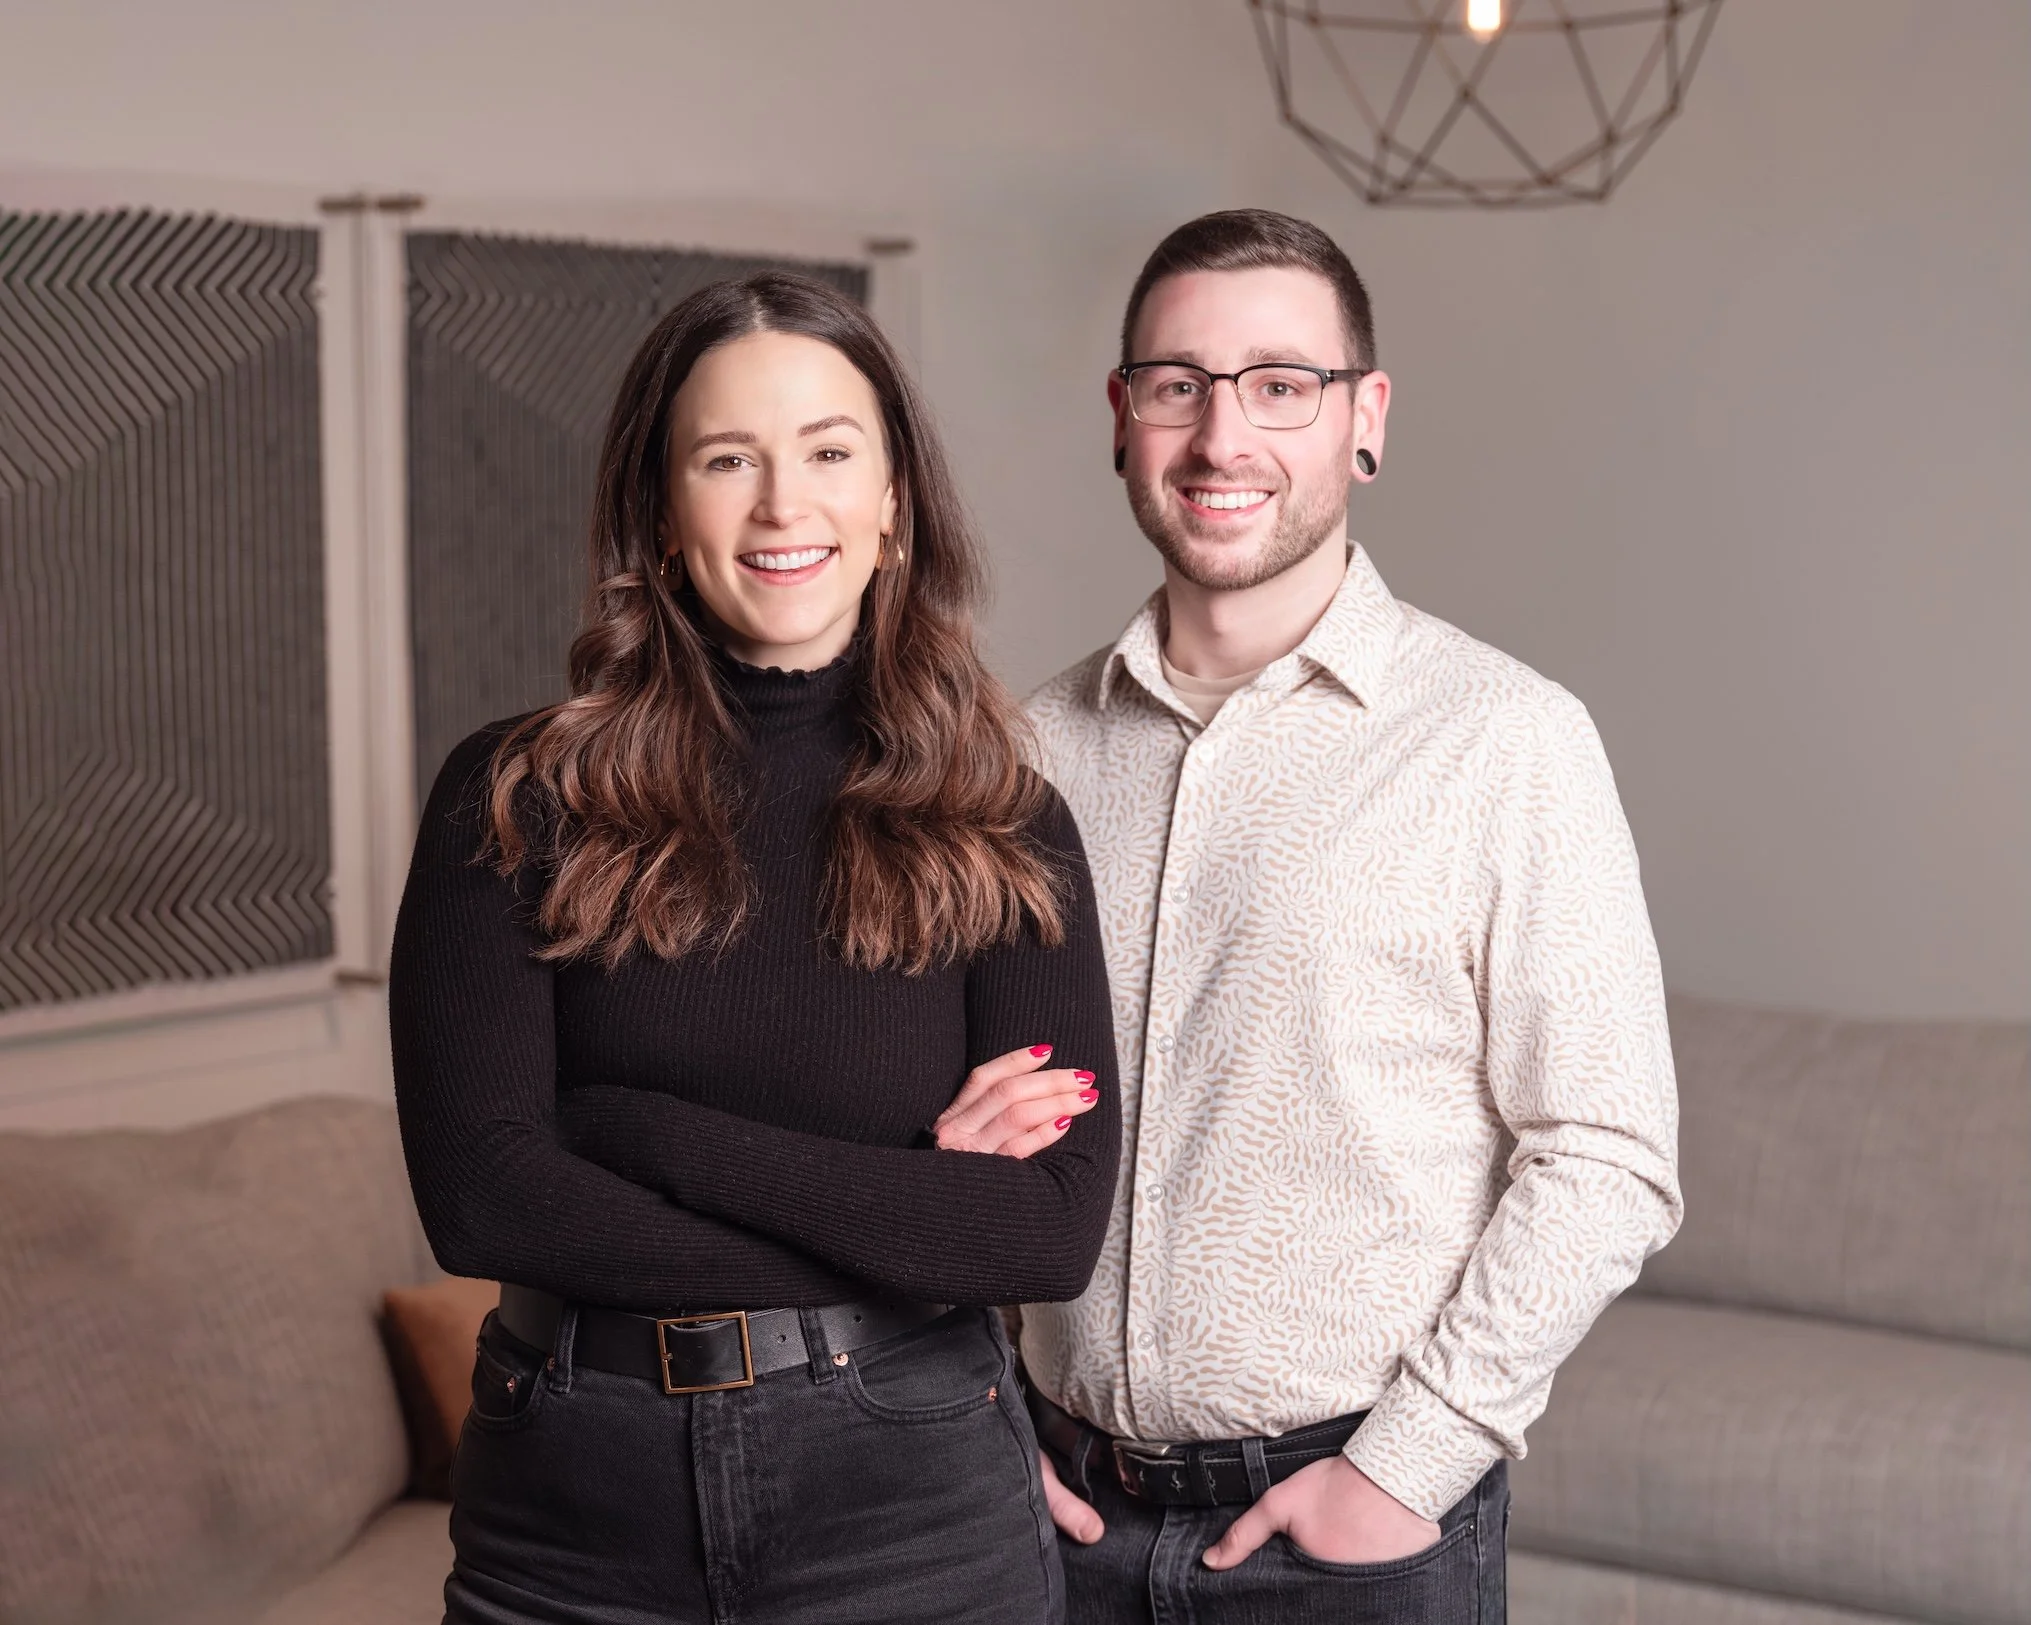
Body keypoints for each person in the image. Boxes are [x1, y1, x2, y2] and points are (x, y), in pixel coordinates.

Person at [388, 271, 1121, 1625]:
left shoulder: (1001, 822)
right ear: (661, 515)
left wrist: (641, 1135)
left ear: (893, 500)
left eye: (830, 454)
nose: (784, 506)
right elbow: (482, 1202)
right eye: (728, 461)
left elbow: (1047, 1230)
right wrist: (909, 1221)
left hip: (912, 1496)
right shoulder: (515, 797)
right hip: (574, 1497)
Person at [995, 209, 1684, 1622]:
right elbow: (937, 1130)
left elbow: (1608, 1156)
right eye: (1178, 384)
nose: (1221, 437)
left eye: (1279, 385)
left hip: (1348, 1536)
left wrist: (1408, 1467)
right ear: (1121, 419)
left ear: (1363, 420)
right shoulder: (1019, 753)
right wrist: (968, 1420)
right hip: (1046, 1525)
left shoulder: (1506, 741)